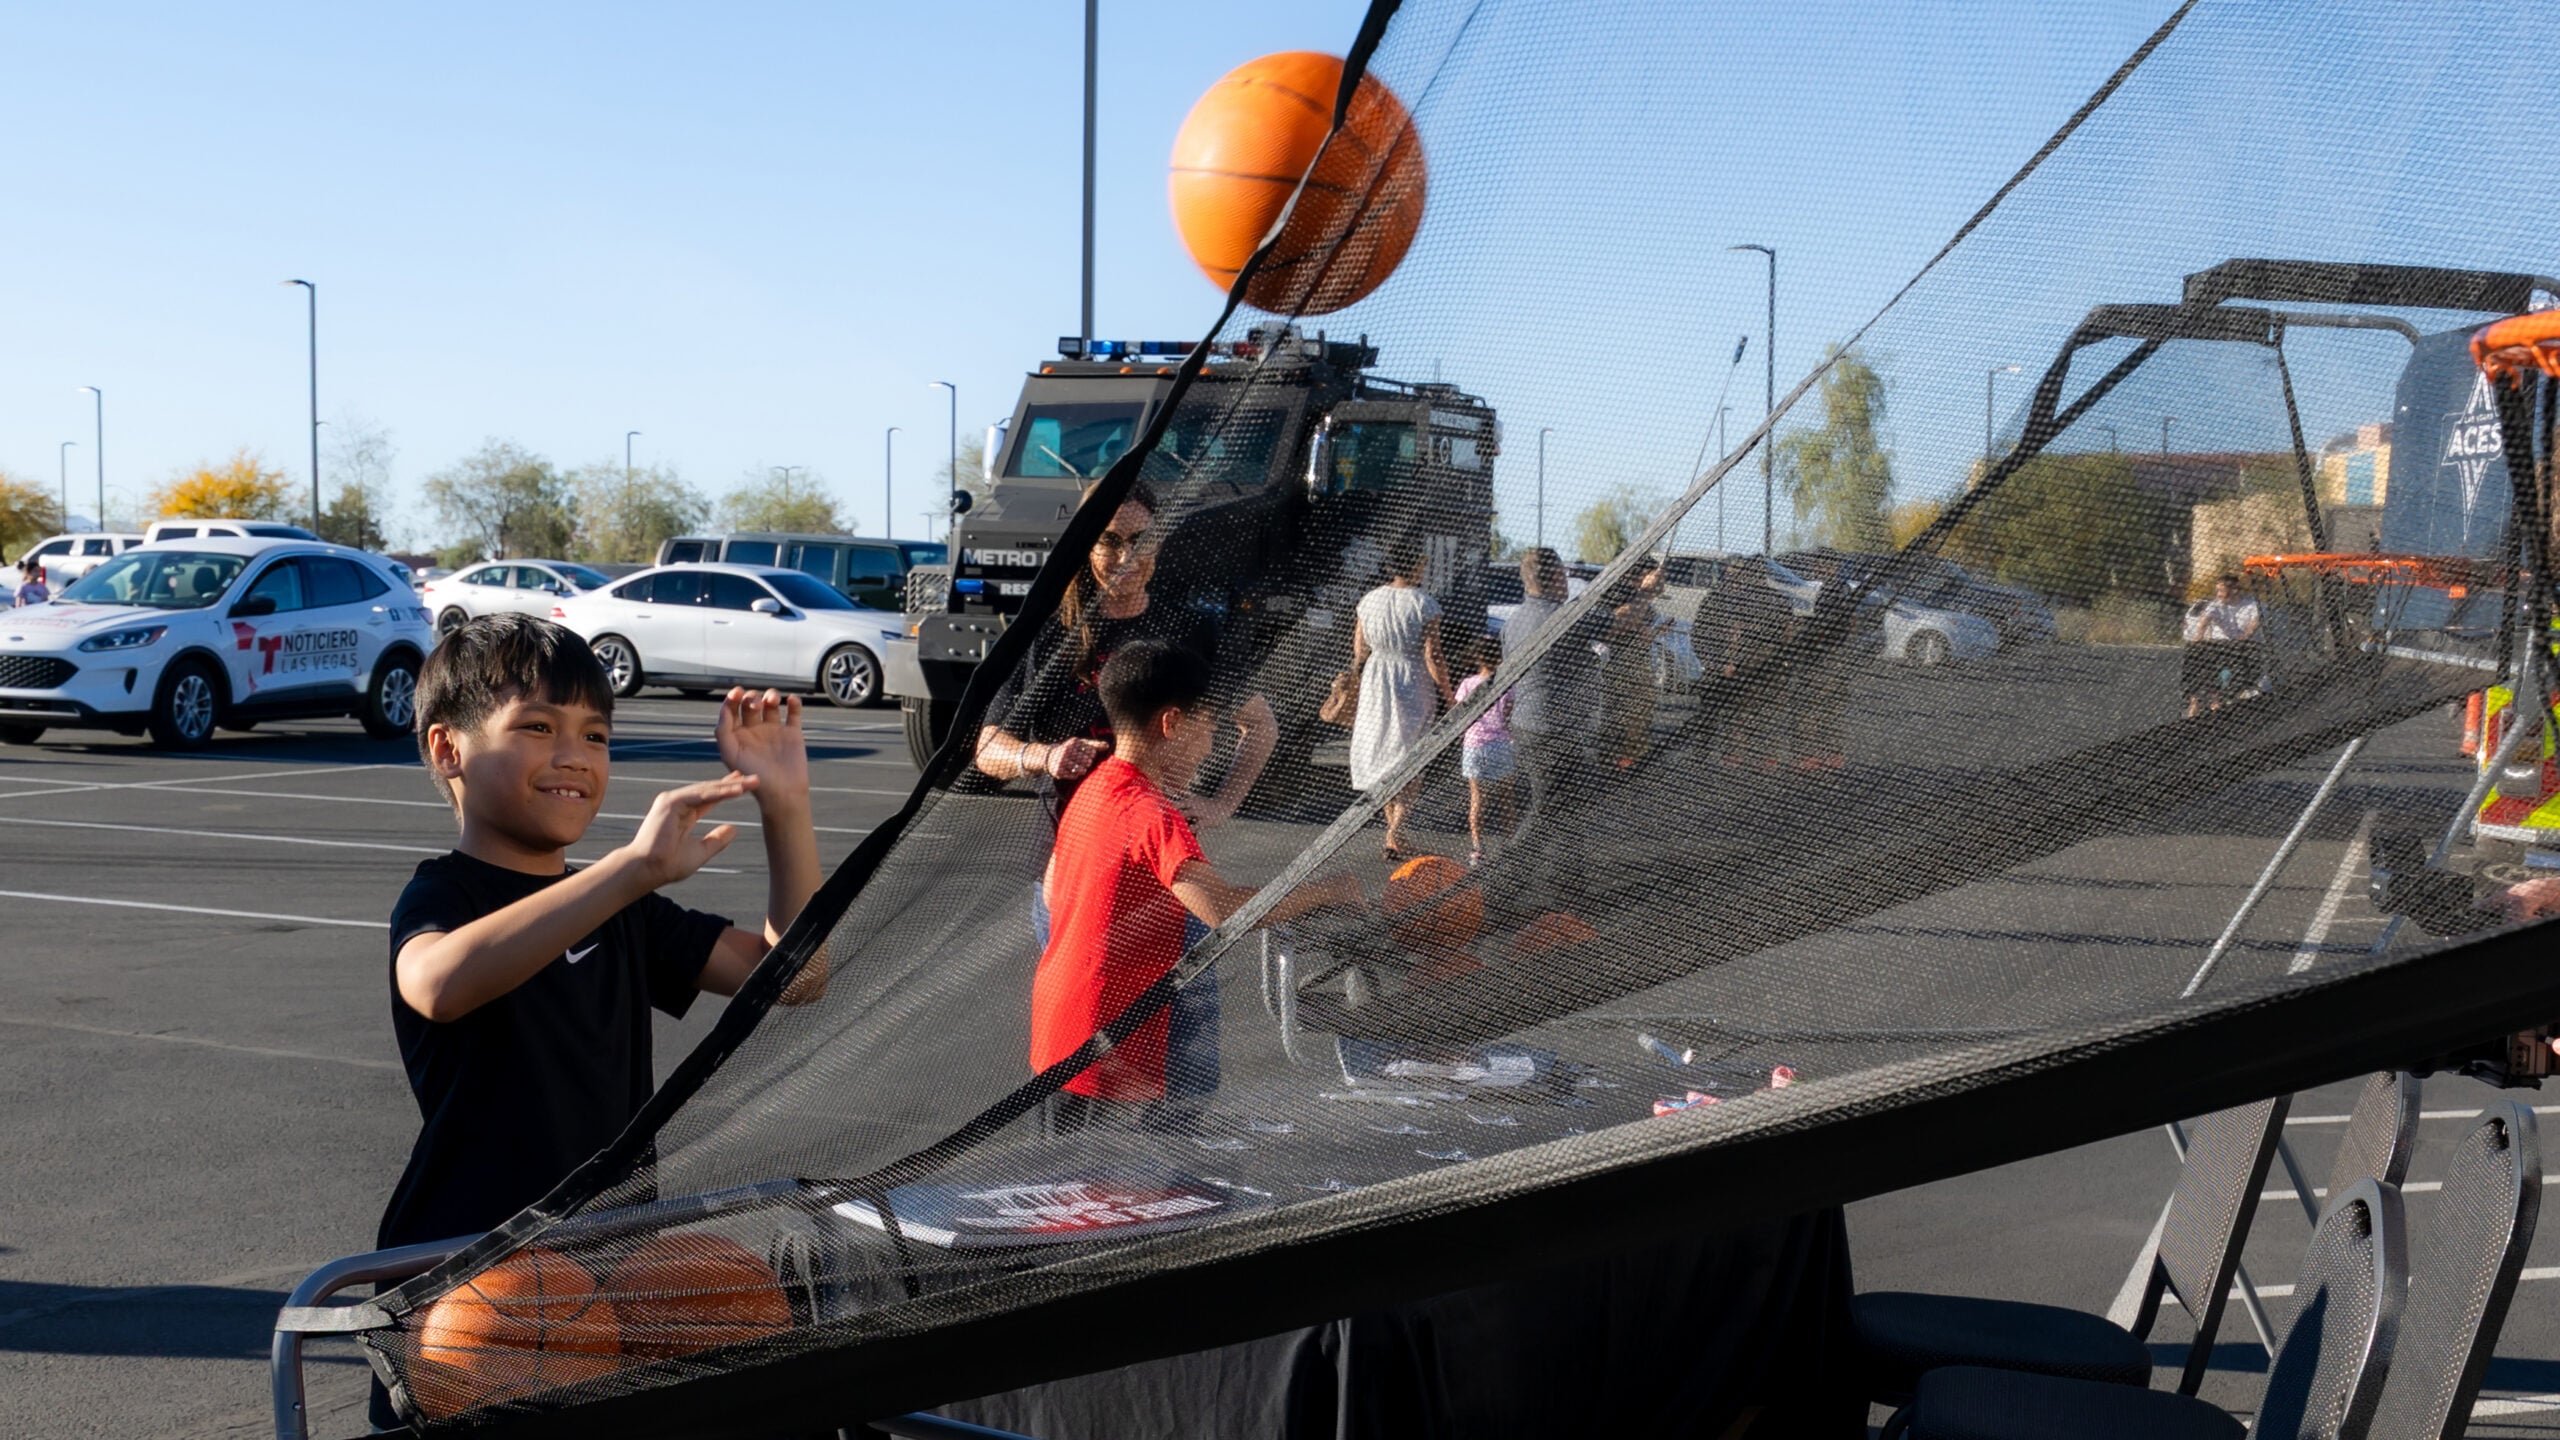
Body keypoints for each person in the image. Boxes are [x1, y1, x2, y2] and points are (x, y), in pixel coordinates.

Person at [377, 614, 825, 1251]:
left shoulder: (623, 904)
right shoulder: (446, 893)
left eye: (596, 736)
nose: (574, 757)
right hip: (472, 1260)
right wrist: (631, 872)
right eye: (537, 726)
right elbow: (438, 985)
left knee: (750, 1295)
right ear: (449, 749)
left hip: (612, 1246)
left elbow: (797, 978)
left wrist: (786, 805)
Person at [1032, 640, 1364, 1132]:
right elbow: (1224, 910)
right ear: (1171, 724)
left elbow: (1052, 890)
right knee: (1120, 1191)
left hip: (1061, 1026)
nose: (1210, 747)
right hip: (1111, 1046)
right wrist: (1330, 889)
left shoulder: (1095, 787)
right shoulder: (1151, 813)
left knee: (1059, 1190)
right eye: (1208, 728)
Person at [977, 480, 1275, 832]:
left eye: (1141, 541)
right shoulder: (1054, 632)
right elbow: (988, 748)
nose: (1126, 557)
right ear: (1087, 544)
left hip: (1156, 833)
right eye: (1110, 540)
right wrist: (1047, 756)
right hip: (1069, 830)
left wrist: (1221, 805)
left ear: (1159, 541)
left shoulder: (1190, 629)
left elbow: (1260, 725)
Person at [1348, 539, 1452, 857]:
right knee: (1410, 756)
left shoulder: (1369, 601)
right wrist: (1449, 694)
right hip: (1411, 679)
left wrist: (1355, 677)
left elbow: (1360, 650)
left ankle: (1393, 833)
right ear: (1416, 565)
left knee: (1381, 753)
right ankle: (1396, 831)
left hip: (1376, 679)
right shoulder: (1424, 603)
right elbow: (1433, 654)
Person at [1453, 634, 1516, 867]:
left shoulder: (1467, 684)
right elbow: (1508, 715)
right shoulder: (1507, 682)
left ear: (1477, 657)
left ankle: (1478, 849)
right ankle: (1509, 845)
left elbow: (1460, 713)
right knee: (1506, 799)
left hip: (1473, 745)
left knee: (1477, 799)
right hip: (1500, 743)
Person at [1601, 557, 1670, 767]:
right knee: (1622, 718)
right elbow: (1616, 625)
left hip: (1639, 664)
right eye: (1652, 575)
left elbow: (1641, 631)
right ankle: (1617, 761)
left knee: (1641, 717)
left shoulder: (1644, 600)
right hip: (1619, 667)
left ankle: (1632, 759)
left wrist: (1655, 632)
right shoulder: (1618, 593)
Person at [2182, 573, 2263, 717]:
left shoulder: (2252, 604)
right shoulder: (2215, 605)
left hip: (2242, 644)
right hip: (2219, 644)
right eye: (2217, 591)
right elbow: (2204, 621)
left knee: (2240, 660)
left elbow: (2254, 623)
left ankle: (2225, 698)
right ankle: (2196, 700)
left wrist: (2245, 636)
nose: (2218, 595)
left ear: (2234, 590)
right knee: (2196, 655)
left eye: (2221, 591)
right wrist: (2197, 638)